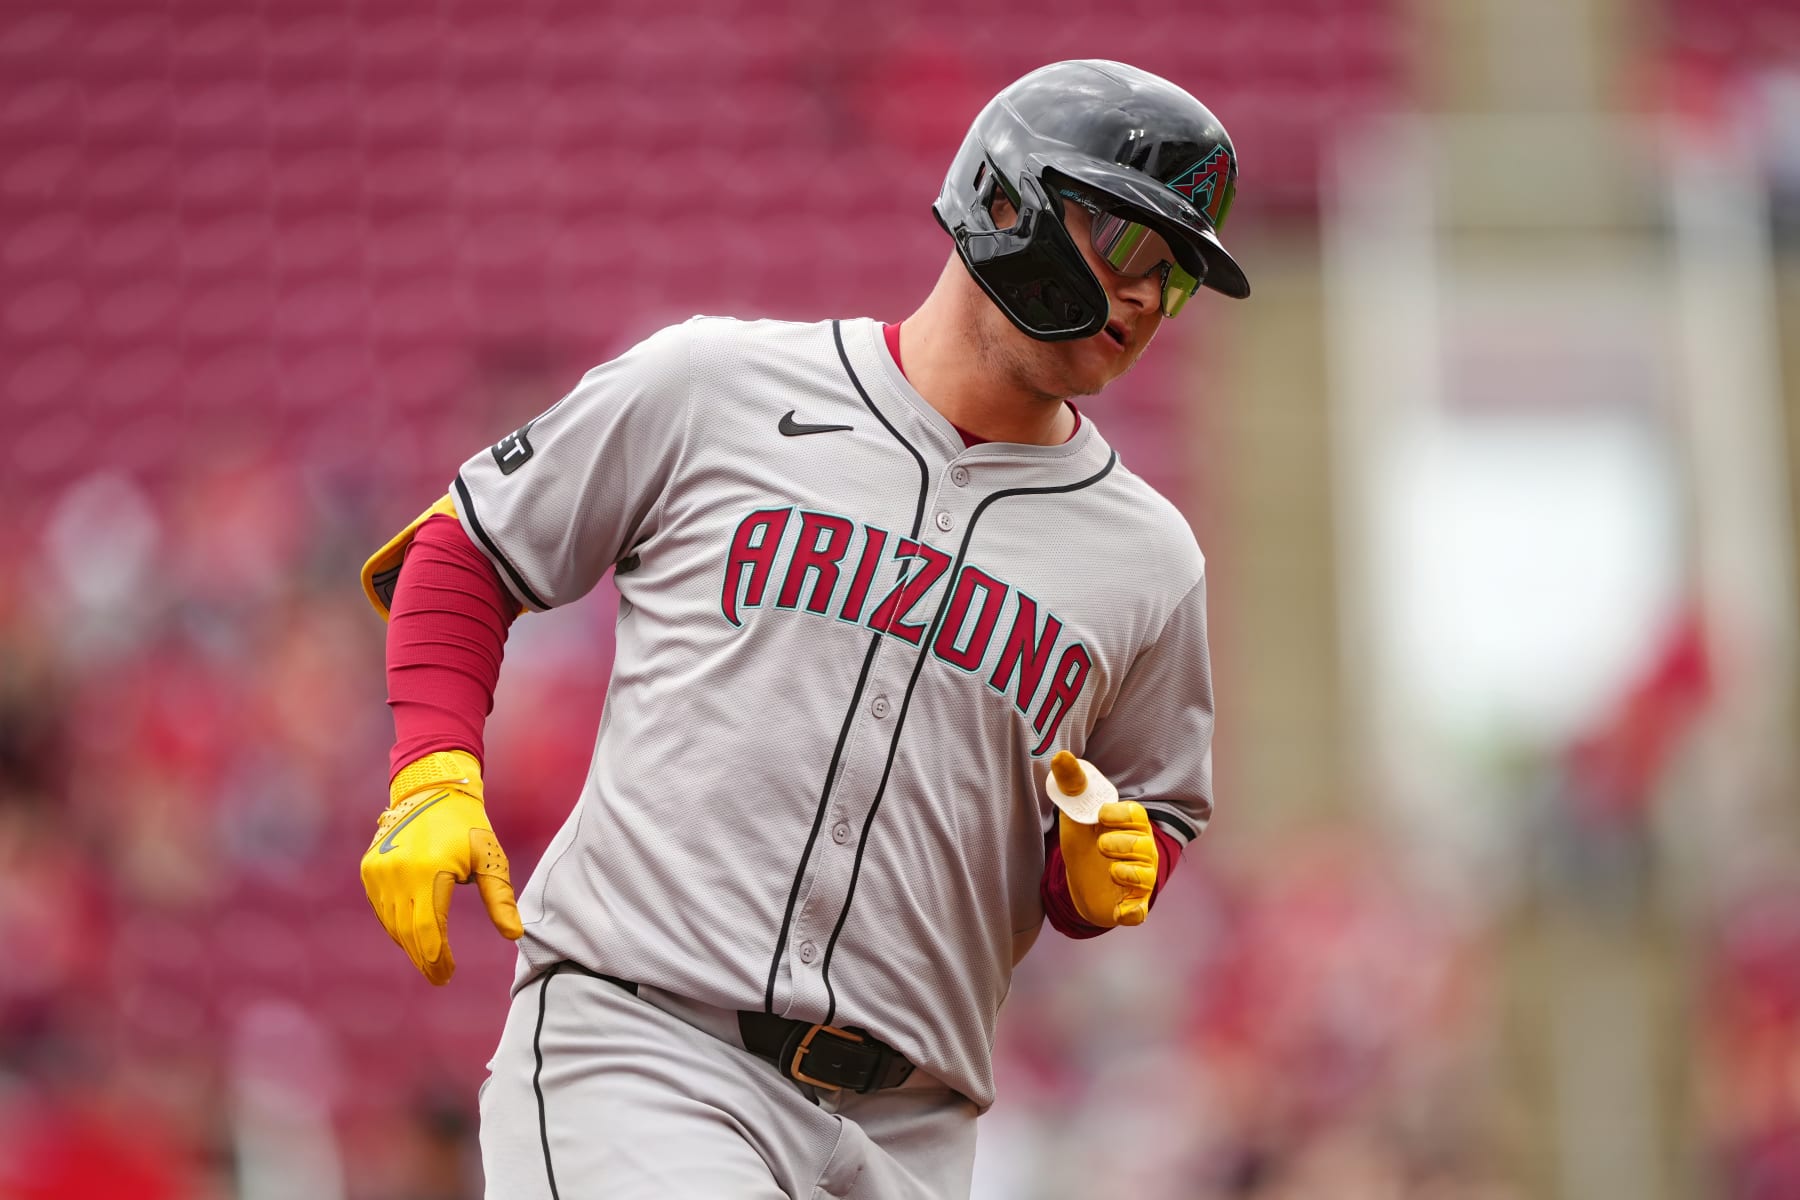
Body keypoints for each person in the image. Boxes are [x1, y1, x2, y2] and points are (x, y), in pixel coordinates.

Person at [358, 58, 1247, 1200]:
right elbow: (466, 547)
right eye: (1129, 246)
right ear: (1009, 198)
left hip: (915, 1128)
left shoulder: (1149, 560)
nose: (1142, 299)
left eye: (1173, 281)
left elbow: (1148, 808)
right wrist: (434, 772)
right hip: (647, 1053)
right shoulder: (711, 385)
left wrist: (1108, 867)